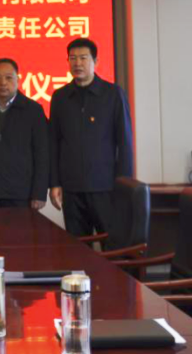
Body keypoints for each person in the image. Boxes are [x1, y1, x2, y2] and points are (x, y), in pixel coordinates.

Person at [49, 38, 134, 236]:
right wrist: (54, 182)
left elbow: (125, 143)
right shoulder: (60, 97)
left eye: (83, 58)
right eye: (72, 58)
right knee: (77, 247)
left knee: (112, 244)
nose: (77, 63)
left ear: (96, 61)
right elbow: (54, 143)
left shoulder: (113, 94)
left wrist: (124, 186)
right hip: (72, 188)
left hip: (105, 188)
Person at [0, 58, 49, 208]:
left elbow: (42, 154)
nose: (3, 83)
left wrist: (39, 193)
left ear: (18, 79)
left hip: (21, 195)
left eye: (8, 77)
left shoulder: (33, 110)